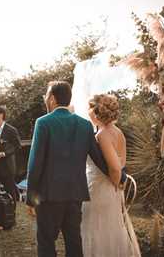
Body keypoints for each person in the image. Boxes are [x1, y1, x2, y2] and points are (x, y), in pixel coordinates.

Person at [26, 81, 109, 257]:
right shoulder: (85, 125)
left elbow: (35, 163)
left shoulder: (43, 123)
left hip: (49, 196)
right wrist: (120, 175)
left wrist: (30, 197)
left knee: (46, 242)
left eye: (47, 96)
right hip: (75, 194)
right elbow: (99, 158)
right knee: (74, 241)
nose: (45, 99)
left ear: (53, 99)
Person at [81, 94, 141, 257]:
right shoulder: (117, 132)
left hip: (102, 190)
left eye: (89, 107)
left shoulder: (103, 134)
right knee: (111, 230)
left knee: (98, 231)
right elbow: (122, 162)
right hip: (111, 191)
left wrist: (116, 183)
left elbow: (115, 168)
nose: (87, 111)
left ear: (96, 111)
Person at [0, 106, 21, 202]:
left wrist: (5, 153)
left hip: (6, 166)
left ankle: (11, 213)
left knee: (10, 192)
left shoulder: (11, 130)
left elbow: (17, 146)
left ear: (1, 115)